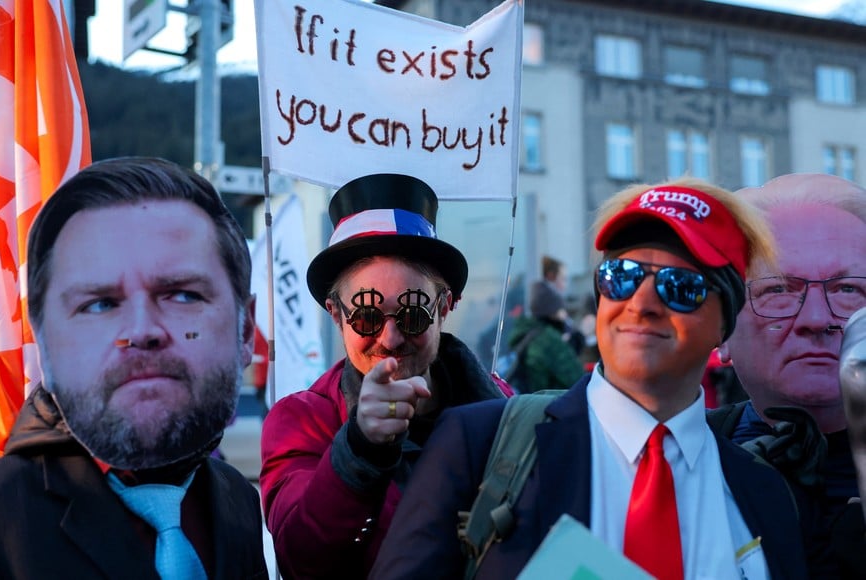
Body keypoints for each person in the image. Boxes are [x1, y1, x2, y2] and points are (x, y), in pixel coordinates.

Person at [372, 177, 813, 579]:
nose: (641, 303)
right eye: (621, 277)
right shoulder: (477, 443)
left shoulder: (764, 493)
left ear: (724, 326)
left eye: (680, 286)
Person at [0, 157, 267, 579]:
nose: (141, 332)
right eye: (100, 304)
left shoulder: (239, 501)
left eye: (182, 295)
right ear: (44, 341)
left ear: (246, 328)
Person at [259, 173, 512, 579]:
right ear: (336, 314)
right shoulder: (303, 420)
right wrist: (359, 450)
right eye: (366, 316)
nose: (390, 338)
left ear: (444, 307)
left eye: (413, 313)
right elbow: (300, 558)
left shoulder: (505, 408)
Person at [708, 173, 866, 577]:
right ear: (721, 330)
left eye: (848, 289)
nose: (816, 319)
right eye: (778, 290)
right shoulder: (666, 467)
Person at [505, 255, 582, 392]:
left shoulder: (525, 330)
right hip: (552, 405)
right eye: (563, 279)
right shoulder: (550, 340)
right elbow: (578, 381)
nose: (565, 286)